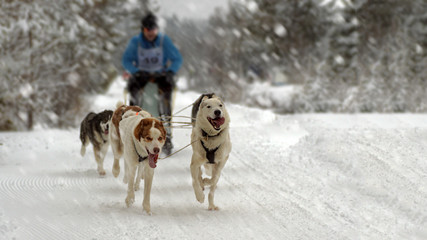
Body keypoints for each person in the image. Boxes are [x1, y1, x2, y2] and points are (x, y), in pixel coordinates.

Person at [122, 12, 183, 154]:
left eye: (153, 30)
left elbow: (177, 59)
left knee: (164, 103)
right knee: (135, 101)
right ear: (143, 30)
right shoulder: (135, 42)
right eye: (148, 30)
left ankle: (166, 135)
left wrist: (170, 71)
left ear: (157, 29)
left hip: (160, 75)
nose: (151, 33)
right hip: (141, 75)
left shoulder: (163, 41)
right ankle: (133, 132)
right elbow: (126, 60)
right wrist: (135, 70)